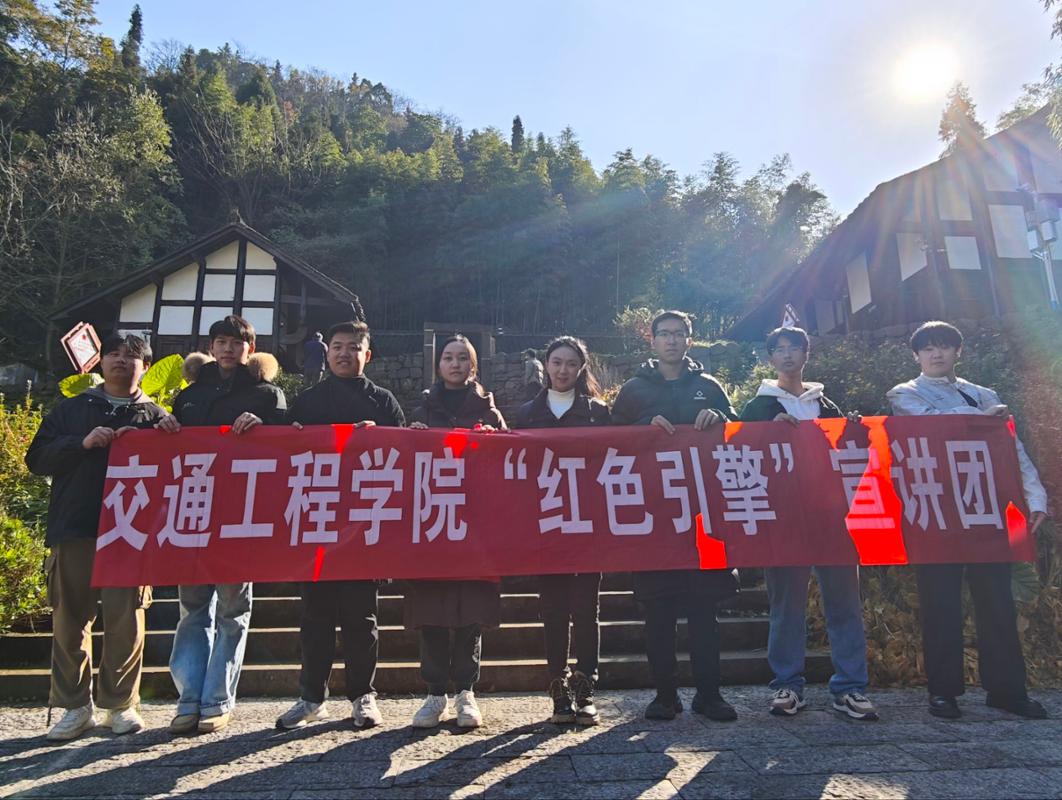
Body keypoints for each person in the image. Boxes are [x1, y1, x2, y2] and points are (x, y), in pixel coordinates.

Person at [887, 320, 1049, 720]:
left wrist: (1035, 496)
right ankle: (943, 692)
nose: (936, 354)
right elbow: (934, 424)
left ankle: (1007, 690)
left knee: (997, 600)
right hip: (936, 510)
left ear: (958, 351)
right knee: (939, 602)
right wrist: (982, 417)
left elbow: (1011, 447)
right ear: (916, 355)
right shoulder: (905, 393)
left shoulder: (984, 394)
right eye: (928, 348)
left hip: (983, 507)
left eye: (944, 346)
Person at [26, 334, 166, 742]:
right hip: (75, 526)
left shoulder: (156, 416)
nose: (122, 361)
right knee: (70, 620)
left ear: (145, 366)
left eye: (132, 356)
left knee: (127, 620)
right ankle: (75, 706)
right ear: (101, 362)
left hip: (130, 532)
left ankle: (121, 704)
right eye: (114, 354)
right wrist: (81, 443)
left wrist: (171, 434)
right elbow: (36, 459)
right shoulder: (72, 409)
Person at [155, 315, 287, 734]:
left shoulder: (267, 395)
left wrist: (265, 427)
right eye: (222, 342)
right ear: (211, 347)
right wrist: (165, 426)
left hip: (241, 514)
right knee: (193, 608)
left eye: (237, 342)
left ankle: (217, 699)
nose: (229, 349)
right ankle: (188, 698)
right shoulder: (190, 395)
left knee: (233, 609)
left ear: (251, 348)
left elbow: (290, 442)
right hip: (194, 512)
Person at [741, 326, 878, 721]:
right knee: (786, 605)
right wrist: (769, 432)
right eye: (779, 348)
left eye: (794, 348)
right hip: (783, 518)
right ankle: (787, 684)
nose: (787, 355)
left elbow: (847, 458)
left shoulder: (826, 405)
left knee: (844, 603)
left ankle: (850, 688)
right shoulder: (756, 407)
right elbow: (738, 455)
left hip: (832, 519)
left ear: (806, 354)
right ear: (770, 358)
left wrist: (854, 430)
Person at [275, 321, 405, 731]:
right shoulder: (307, 401)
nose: (344, 353)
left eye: (353, 347)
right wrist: (293, 436)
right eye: (337, 346)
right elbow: (284, 456)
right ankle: (311, 697)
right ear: (327, 352)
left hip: (365, 525)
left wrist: (381, 438)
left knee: (361, 618)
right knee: (314, 617)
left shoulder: (383, 402)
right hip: (317, 521)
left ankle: (363, 696)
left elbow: (404, 457)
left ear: (368, 354)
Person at [611, 310, 739, 722]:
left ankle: (709, 695)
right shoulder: (633, 391)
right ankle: (665, 695)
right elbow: (608, 442)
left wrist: (721, 419)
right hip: (654, 516)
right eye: (664, 334)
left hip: (703, 514)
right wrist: (641, 426)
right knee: (658, 613)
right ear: (652, 340)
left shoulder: (709, 386)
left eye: (679, 334)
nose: (671, 340)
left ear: (690, 340)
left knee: (705, 612)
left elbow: (741, 435)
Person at [406, 335, 506, 728]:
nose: (455, 364)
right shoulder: (422, 408)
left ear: (473, 366)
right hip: (433, 522)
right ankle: (435, 693)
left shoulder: (489, 410)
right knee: (431, 608)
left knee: (471, 611)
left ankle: (466, 691)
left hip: (474, 524)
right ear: (438, 364)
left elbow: (508, 459)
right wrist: (411, 436)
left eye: (463, 358)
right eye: (448, 357)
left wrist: (493, 440)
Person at [514, 336, 610, 725]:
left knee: (586, 609)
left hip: (587, 520)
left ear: (581, 368)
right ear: (546, 365)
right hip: (546, 521)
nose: (563, 370)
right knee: (552, 609)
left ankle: (586, 687)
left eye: (571, 363)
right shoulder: (527, 413)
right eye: (556, 362)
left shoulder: (597, 412)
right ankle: (558, 686)